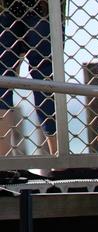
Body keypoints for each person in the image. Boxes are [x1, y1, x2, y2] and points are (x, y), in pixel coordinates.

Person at [0, 1, 57, 157]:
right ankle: (58, 159)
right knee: (47, 75)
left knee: (2, 77)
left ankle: (3, 162)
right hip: (43, 7)